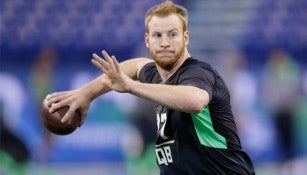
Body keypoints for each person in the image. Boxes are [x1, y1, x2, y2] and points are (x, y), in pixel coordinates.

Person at [46, 1, 255, 174]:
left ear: (186, 38)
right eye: (157, 35)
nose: (165, 42)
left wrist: (131, 86)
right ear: (147, 40)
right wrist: (86, 94)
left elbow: (195, 100)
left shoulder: (198, 73)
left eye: (173, 34)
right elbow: (136, 65)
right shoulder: (156, 73)